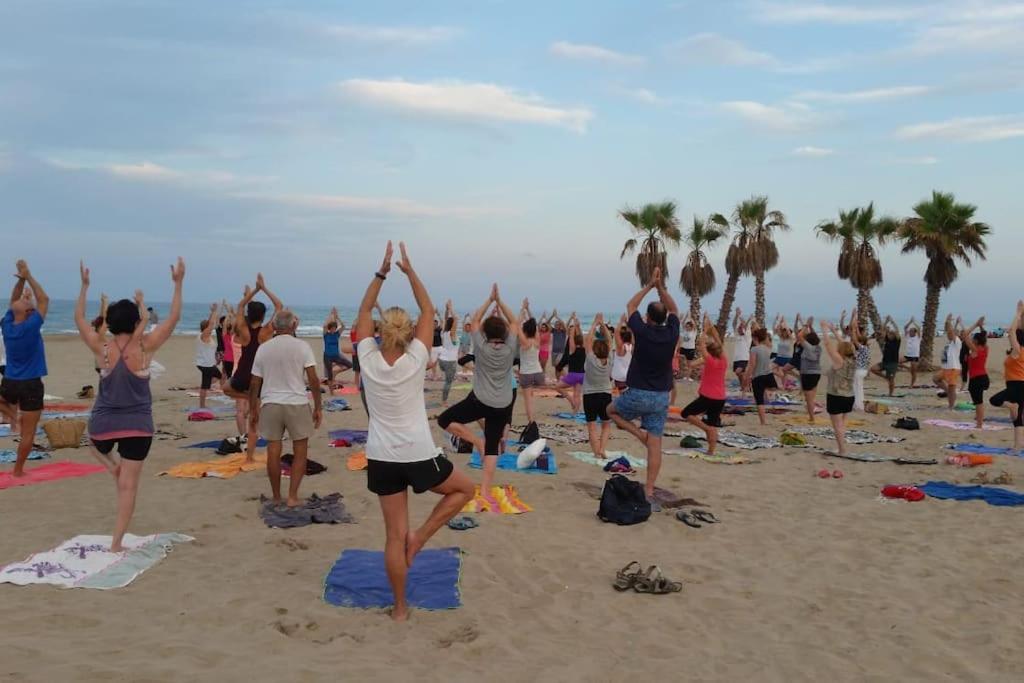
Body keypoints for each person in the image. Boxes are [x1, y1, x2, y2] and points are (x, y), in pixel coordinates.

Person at [357, 242, 474, 622]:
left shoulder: (368, 358)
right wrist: (409, 272)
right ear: (408, 332)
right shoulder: (416, 358)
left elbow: (361, 311)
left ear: (379, 330)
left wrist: (382, 272)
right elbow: (428, 309)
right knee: (465, 490)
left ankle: (400, 610)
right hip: (418, 453)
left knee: (392, 537)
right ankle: (421, 537)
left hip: (382, 456)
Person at [76, 258, 184, 552]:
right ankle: (116, 543)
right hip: (138, 426)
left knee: (91, 442)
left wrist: (84, 287)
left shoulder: (102, 348)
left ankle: (111, 466)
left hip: (103, 425)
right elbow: (173, 318)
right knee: (129, 487)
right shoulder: (145, 346)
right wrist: (178, 283)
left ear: (109, 324)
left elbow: (79, 319)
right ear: (136, 322)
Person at [607, 267, 679, 507]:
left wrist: (649, 285)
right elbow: (675, 309)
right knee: (656, 445)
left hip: (638, 393)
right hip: (661, 397)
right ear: (665, 318)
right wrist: (660, 288)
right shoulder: (671, 332)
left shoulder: (642, 329)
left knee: (611, 411)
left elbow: (630, 305)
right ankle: (648, 489)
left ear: (648, 318)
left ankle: (639, 435)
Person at [437, 283, 518, 498]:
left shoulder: (481, 346)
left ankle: (475, 441)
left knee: (444, 420)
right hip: (502, 403)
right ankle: (484, 490)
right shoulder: (510, 347)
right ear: (505, 333)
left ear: (484, 332)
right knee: (493, 447)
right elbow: (515, 322)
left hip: (480, 399)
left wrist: (490, 300)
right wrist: (499, 301)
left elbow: (474, 321)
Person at [248, 310, 323, 507]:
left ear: (274, 325)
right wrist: (318, 406)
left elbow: (255, 383)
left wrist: (253, 409)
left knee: (273, 450)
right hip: (296, 402)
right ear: (294, 326)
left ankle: (276, 496)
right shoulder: (302, 347)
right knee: (300, 451)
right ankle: (292, 496)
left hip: (271, 402)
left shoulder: (264, 348)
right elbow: (313, 380)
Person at [223, 273, 285, 463]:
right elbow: (279, 306)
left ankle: (249, 456)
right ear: (264, 315)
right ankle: (249, 456)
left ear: (249, 314)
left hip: (242, 376)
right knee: (254, 422)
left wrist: (254, 291)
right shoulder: (266, 331)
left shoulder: (243, 329)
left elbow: (240, 306)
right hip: (258, 379)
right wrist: (264, 289)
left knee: (225, 388)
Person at [0, 260, 50, 476]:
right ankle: (18, 471)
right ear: (30, 314)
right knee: (28, 432)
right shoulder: (31, 326)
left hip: (10, 381)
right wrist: (27, 276)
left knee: (6, 403)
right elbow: (44, 299)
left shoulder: (8, 325)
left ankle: (10, 415)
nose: (18, 301)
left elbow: (14, 301)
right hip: (30, 384)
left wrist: (21, 280)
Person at [681, 314, 728, 455]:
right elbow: (719, 342)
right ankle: (711, 451)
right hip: (720, 398)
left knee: (686, 413)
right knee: (713, 424)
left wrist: (705, 329)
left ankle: (705, 429)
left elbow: (701, 344)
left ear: (710, 351)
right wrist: (710, 327)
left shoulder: (710, 360)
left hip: (708, 396)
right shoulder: (723, 359)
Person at [990, 301, 1024, 451]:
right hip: (1018, 385)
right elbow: (1015, 331)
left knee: (994, 400)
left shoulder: (1018, 351)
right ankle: (1018, 446)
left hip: (1017, 386)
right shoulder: (1017, 351)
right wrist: (1021, 316)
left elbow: (1011, 331)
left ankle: (1011, 405)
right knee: (1018, 419)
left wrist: (1017, 313)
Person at [821, 320, 856, 457]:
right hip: (849, 396)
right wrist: (834, 331)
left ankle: (842, 450)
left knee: (837, 425)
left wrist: (824, 329)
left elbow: (828, 345)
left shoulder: (839, 361)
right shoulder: (853, 359)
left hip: (836, 396)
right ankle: (842, 447)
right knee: (842, 424)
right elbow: (845, 344)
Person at [582, 313, 613, 457]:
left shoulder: (590, 359)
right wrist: (604, 325)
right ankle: (602, 449)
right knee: (606, 424)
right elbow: (610, 340)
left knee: (592, 426)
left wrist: (595, 323)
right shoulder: (610, 359)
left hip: (589, 395)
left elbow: (588, 339)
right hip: (605, 394)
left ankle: (596, 452)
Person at [516, 299, 545, 424]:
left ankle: (531, 422)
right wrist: (528, 310)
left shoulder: (525, 342)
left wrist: (522, 309)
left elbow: (516, 326)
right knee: (531, 397)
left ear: (525, 330)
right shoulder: (537, 340)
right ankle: (532, 419)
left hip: (526, 374)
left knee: (528, 400)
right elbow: (535, 325)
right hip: (538, 373)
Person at [195, 303, 226, 408]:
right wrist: (214, 311)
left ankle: (202, 404)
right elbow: (211, 324)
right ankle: (203, 405)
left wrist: (216, 358)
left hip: (207, 364)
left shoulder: (204, 336)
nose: (211, 328)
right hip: (206, 365)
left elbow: (210, 323)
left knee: (207, 384)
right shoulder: (204, 336)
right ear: (206, 328)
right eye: (209, 327)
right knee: (221, 378)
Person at [744, 327, 776, 426]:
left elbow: (752, 364)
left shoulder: (754, 349)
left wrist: (747, 377)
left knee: (759, 401)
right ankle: (768, 396)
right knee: (767, 390)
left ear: (755, 338)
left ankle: (763, 422)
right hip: (769, 374)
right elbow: (766, 339)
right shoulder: (768, 348)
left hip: (758, 376)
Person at [962, 317, 989, 429]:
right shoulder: (985, 348)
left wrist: (976, 324)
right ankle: (978, 421)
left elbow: (964, 335)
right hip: (983, 378)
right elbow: (984, 335)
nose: (972, 339)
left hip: (977, 379)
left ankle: (979, 424)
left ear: (976, 341)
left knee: (978, 403)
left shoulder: (975, 350)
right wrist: (980, 326)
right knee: (978, 402)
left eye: (973, 338)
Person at [934, 314, 963, 411]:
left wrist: (948, 321)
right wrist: (950, 323)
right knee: (936, 379)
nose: (948, 334)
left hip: (953, 368)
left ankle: (951, 406)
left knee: (952, 388)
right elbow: (949, 331)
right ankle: (948, 393)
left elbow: (950, 331)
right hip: (946, 367)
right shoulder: (950, 342)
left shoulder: (957, 341)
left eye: (952, 334)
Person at [796, 318, 822, 424]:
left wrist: (806, 325)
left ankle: (812, 417)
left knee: (809, 398)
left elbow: (799, 336)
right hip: (816, 373)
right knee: (812, 396)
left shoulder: (808, 348)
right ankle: (811, 412)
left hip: (808, 374)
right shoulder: (818, 348)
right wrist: (811, 327)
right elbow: (814, 337)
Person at [870, 317, 902, 397]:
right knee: (873, 369)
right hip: (885, 362)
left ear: (894, 335)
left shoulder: (897, 341)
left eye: (891, 333)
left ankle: (890, 394)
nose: (889, 334)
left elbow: (897, 330)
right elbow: (883, 330)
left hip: (893, 363)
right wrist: (886, 322)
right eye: (889, 333)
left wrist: (892, 321)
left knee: (891, 380)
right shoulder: (887, 339)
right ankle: (885, 377)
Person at [437, 301, 460, 406]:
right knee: (448, 382)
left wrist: (446, 310)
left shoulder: (444, 333)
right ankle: (444, 401)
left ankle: (444, 399)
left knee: (447, 380)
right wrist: (450, 308)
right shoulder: (452, 334)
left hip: (441, 360)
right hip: (450, 362)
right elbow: (455, 319)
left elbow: (446, 319)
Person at [322, 308, 353, 387]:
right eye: (332, 328)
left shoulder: (336, 334)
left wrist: (337, 317)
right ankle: (331, 391)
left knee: (350, 365)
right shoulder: (326, 335)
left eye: (334, 328)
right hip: (327, 357)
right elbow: (325, 325)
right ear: (329, 328)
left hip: (336, 356)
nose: (333, 329)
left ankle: (335, 370)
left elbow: (343, 326)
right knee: (329, 376)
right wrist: (330, 315)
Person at [849, 311, 871, 412]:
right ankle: (859, 404)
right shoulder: (866, 348)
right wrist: (855, 323)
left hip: (859, 370)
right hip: (863, 371)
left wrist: (853, 325)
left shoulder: (862, 348)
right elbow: (857, 335)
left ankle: (857, 406)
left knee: (856, 388)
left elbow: (854, 337)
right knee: (859, 388)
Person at [731, 309, 754, 391]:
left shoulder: (747, 335)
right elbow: (733, 324)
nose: (740, 328)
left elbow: (746, 325)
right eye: (739, 327)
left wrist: (745, 319)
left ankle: (746, 385)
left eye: (741, 327)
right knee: (739, 374)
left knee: (738, 372)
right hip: (736, 358)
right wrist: (736, 315)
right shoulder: (737, 335)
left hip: (744, 358)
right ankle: (744, 386)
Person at [611, 314, 633, 391]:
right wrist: (628, 324)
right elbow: (634, 334)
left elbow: (616, 333)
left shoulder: (621, 347)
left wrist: (621, 322)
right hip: (630, 376)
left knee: (622, 398)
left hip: (620, 378)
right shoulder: (633, 347)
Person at [902, 318, 922, 387]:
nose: (909, 332)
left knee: (913, 372)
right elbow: (905, 327)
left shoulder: (918, 337)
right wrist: (910, 321)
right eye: (909, 331)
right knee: (896, 361)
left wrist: (914, 322)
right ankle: (907, 368)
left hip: (914, 356)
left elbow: (919, 328)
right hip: (907, 355)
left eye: (911, 331)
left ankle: (912, 384)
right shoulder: (907, 336)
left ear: (914, 332)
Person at [549, 312, 567, 381]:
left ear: (560, 325)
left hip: (561, 352)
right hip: (554, 352)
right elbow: (548, 323)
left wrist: (556, 316)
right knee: (556, 367)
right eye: (555, 324)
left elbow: (562, 322)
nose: (556, 326)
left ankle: (567, 378)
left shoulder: (563, 332)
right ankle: (558, 380)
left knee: (558, 365)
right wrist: (552, 315)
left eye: (558, 324)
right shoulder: (554, 331)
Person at [220, 311, 235, 379]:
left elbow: (233, 325)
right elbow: (225, 326)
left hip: (233, 360)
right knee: (230, 377)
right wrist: (229, 315)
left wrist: (230, 314)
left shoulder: (233, 336)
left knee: (231, 377)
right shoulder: (226, 336)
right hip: (229, 360)